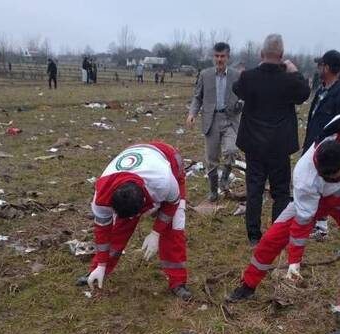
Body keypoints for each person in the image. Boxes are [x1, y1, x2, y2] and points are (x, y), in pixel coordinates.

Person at [226, 105, 340, 327]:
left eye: (337, 176)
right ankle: (248, 285)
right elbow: (301, 225)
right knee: (271, 240)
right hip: (317, 201)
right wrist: (294, 261)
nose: (333, 181)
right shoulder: (305, 178)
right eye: (329, 179)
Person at [76, 142, 193, 301]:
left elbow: (173, 203)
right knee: (120, 229)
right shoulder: (101, 197)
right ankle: (97, 271)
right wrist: (101, 264)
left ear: (145, 200)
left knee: (174, 227)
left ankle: (178, 282)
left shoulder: (163, 181)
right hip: (140, 164)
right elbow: (102, 232)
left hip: (170, 161)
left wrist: (156, 232)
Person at [233, 34, 311, 244]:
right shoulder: (289, 79)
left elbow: (237, 89)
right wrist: (295, 71)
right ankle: (276, 234)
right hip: (279, 144)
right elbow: (305, 93)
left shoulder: (249, 77)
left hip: (254, 144)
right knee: (281, 192)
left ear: (261, 54)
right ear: (282, 55)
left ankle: (253, 235)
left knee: (254, 190)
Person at [304, 50, 340, 239]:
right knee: (312, 184)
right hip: (314, 145)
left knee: (324, 185)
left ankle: (321, 226)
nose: (318, 68)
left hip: (328, 152)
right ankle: (313, 221)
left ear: (327, 67)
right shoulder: (322, 89)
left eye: (321, 65)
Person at [187, 42, 242, 202]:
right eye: (216, 56)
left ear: (228, 57)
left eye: (222, 56)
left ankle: (224, 179)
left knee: (231, 151)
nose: (219, 59)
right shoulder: (205, 75)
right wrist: (192, 113)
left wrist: (242, 103)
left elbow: (243, 95)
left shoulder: (236, 75)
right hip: (211, 120)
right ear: (213, 57)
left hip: (230, 119)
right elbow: (198, 97)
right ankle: (213, 190)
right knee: (211, 159)